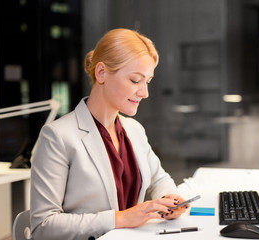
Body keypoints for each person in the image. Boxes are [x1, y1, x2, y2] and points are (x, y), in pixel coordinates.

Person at [30, 28, 187, 240]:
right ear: (101, 73)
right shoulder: (57, 136)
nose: (144, 92)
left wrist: (171, 200)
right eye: (135, 80)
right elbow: (43, 226)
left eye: (147, 81)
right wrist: (120, 218)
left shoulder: (134, 130)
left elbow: (159, 178)